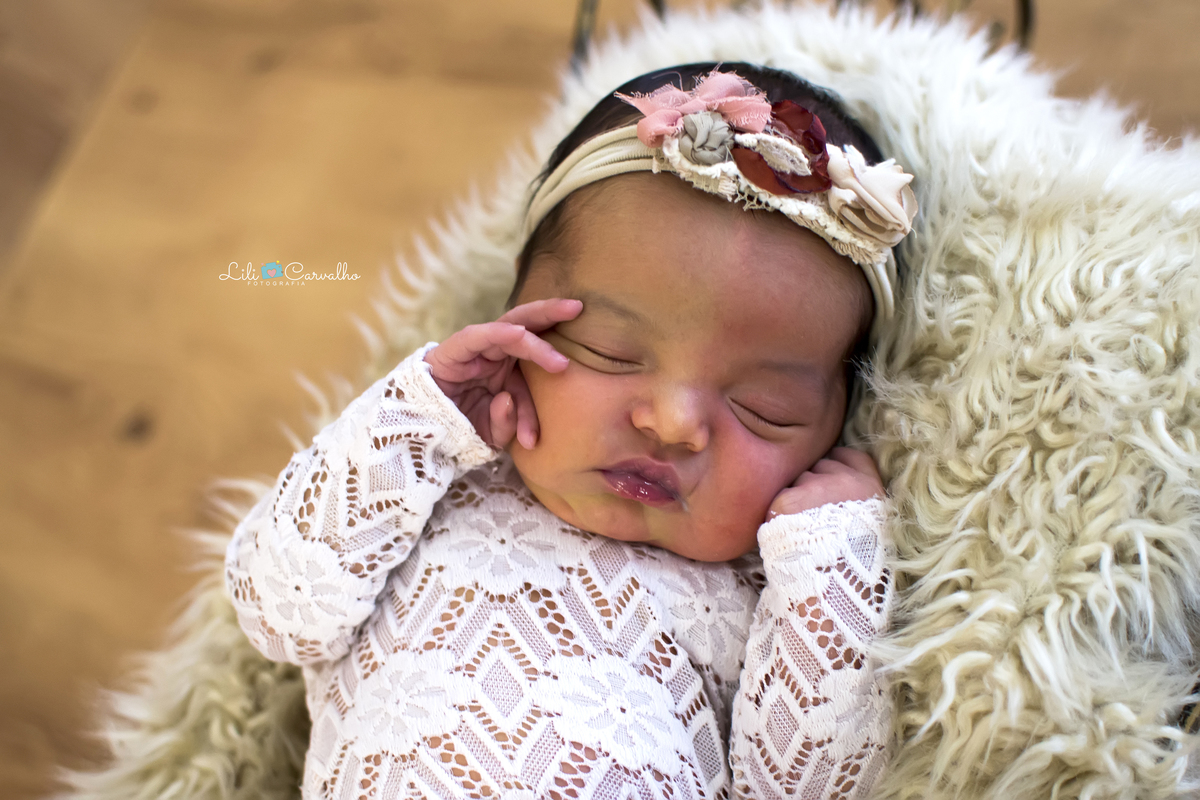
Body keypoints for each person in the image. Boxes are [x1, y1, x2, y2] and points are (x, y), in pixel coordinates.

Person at [225, 62, 916, 799]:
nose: (674, 423)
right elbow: (281, 611)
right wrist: (412, 420)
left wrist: (834, 562)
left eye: (765, 408)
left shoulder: (761, 584)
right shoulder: (438, 475)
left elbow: (809, 789)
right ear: (517, 297)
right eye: (611, 353)